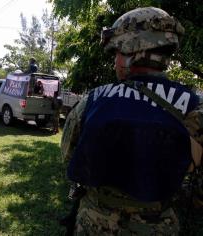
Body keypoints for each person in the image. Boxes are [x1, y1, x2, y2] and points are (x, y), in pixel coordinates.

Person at [61, 7, 203, 235]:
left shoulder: (94, 99)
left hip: (93, 223)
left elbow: (68, 155)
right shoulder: (193, 106)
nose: (115, 60)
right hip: (159, 226)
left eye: (117, 52)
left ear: (133, 50)